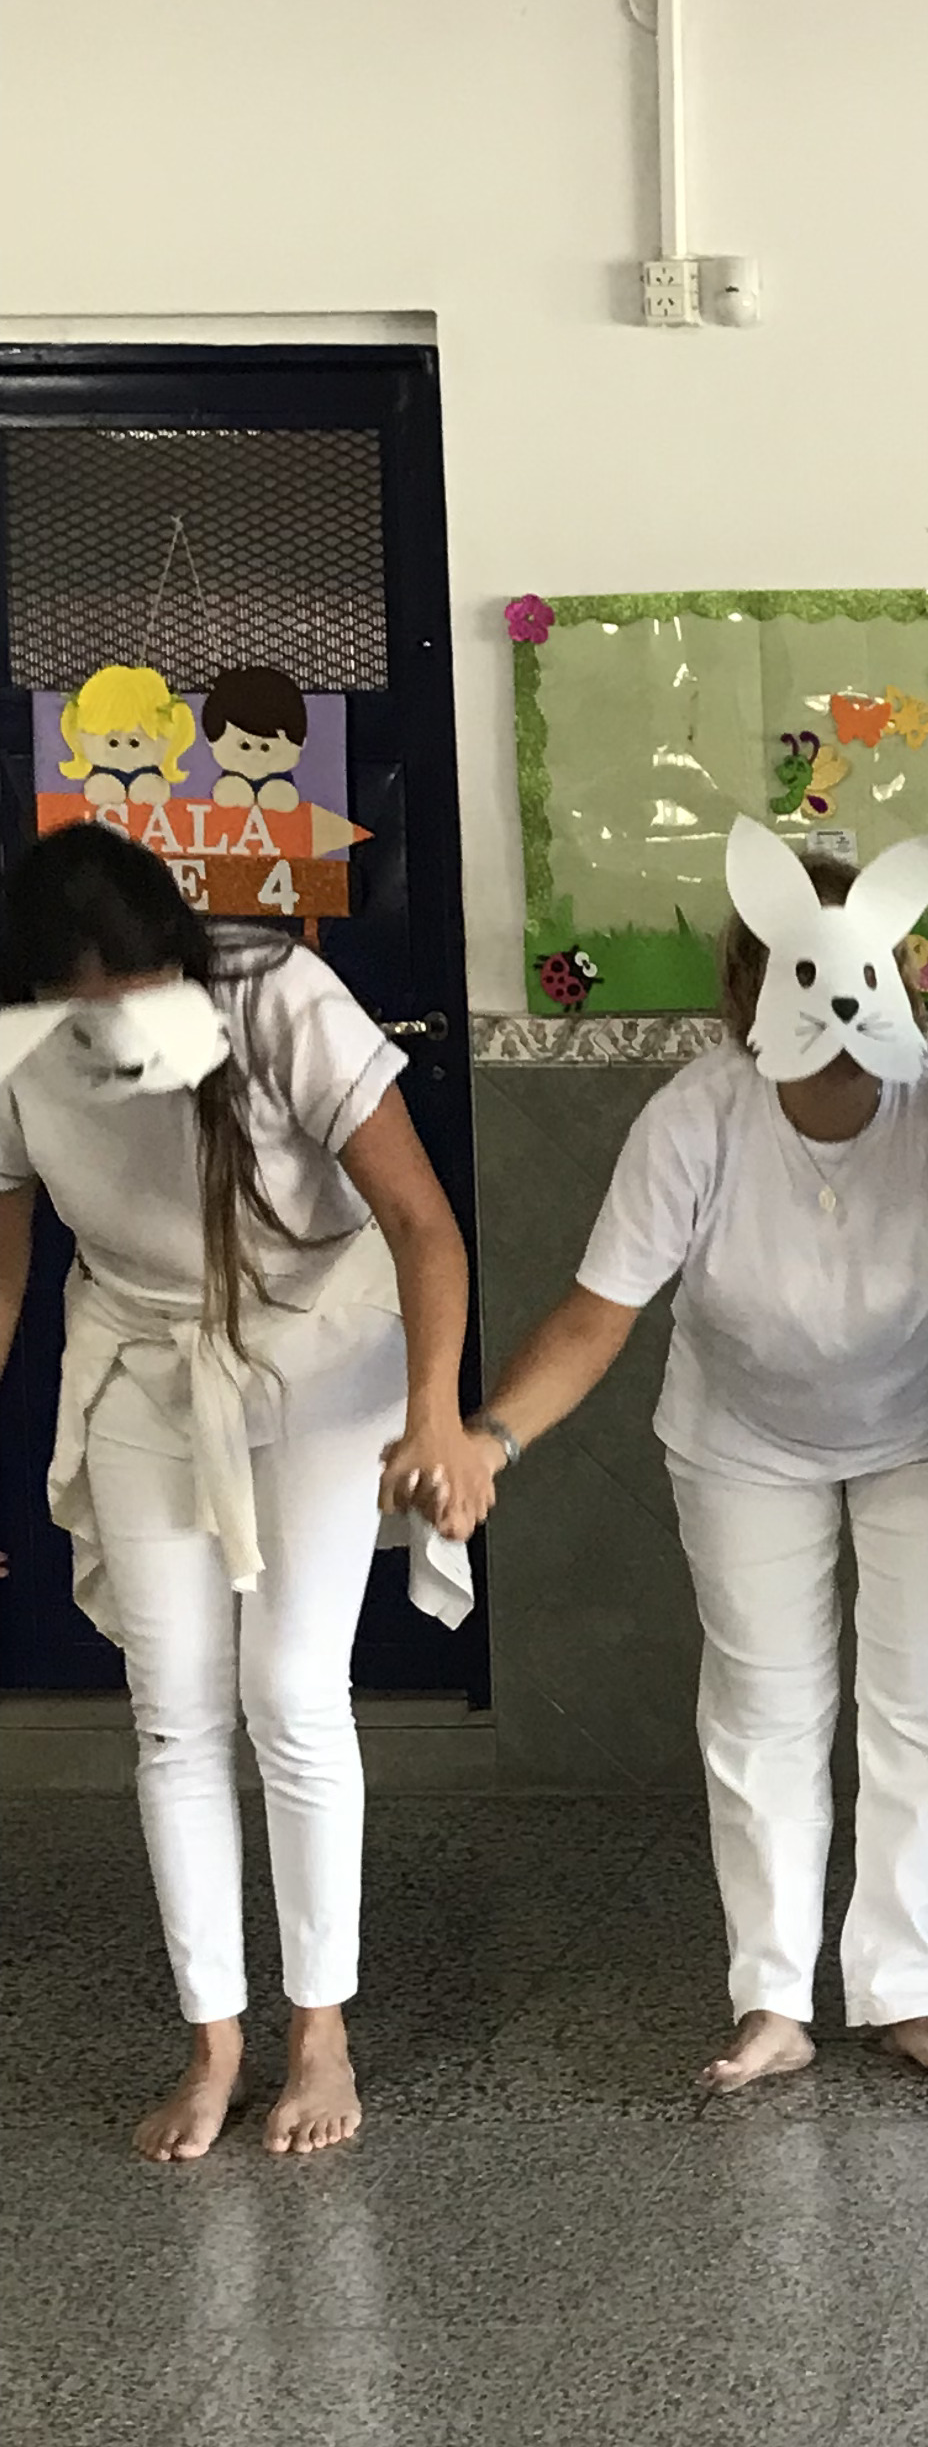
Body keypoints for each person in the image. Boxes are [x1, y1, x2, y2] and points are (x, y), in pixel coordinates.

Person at [432, 822, 928, 2090]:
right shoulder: (695, 1121)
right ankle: (773, 1999)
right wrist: (491, 1434)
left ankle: (911, 1991)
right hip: (742, 1440)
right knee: (764, 1708)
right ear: (752, 990)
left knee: (921, 1703)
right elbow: (594, 1316)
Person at [0, 823, 476, 2162]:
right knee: (174, 1711)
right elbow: (7, 1256)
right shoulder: (15, 1047)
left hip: (323, 1343)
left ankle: (320, 2028)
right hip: (143, 1355)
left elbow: (422, 1224)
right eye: (78, 1012)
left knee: (291, 1690)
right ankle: (214, 2041)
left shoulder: (277, 996)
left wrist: (435, 1410)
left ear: (179, 955)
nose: (110, 1030)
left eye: (135, 999)